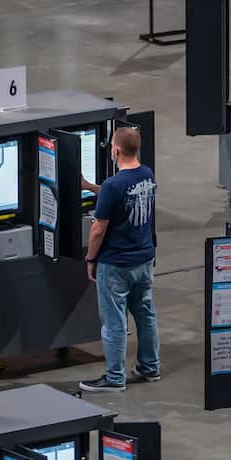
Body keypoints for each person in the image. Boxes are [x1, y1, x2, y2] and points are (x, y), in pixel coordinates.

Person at [78, 126, 160, 392]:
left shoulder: (115, 185)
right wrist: (91, 187)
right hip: (144, 261)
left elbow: (98, 228)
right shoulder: (147, 175)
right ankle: (150, 367)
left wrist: (90, 258)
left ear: (115, 150)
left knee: (114, 322)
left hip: (116, 265)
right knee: (145, 315)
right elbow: (124, 193)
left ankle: (114, 378)